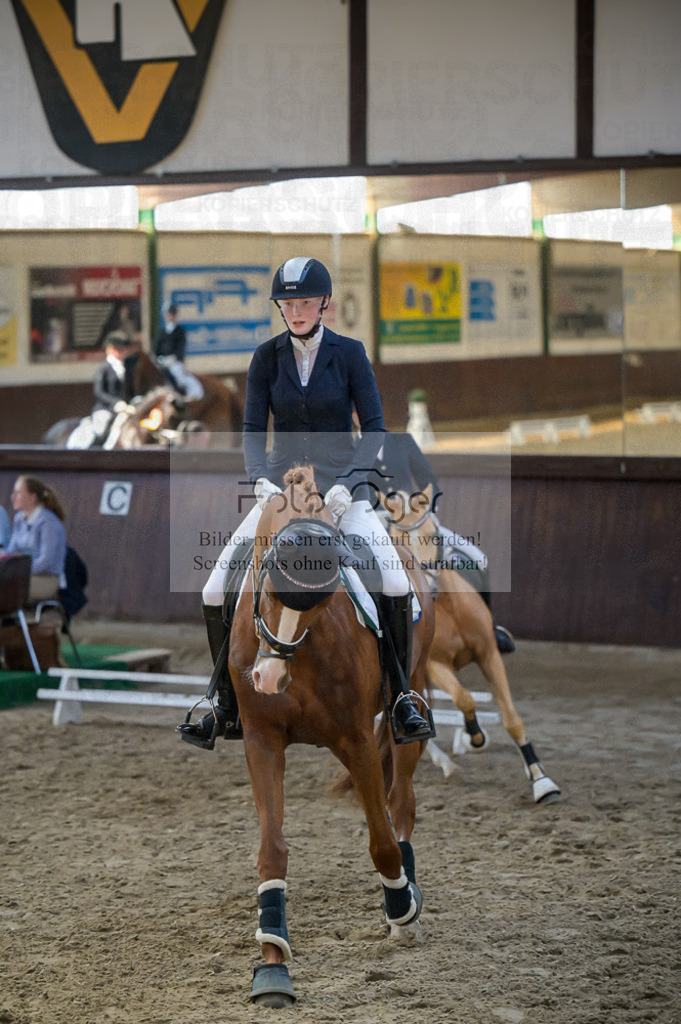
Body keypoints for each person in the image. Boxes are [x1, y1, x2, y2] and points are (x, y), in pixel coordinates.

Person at [179, 256, 432, 749]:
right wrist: (259, 479)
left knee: (396, 580)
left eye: (304, 303)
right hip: (282, 492)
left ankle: (401, 695)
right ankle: (223, 702)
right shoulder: (265, 357)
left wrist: (349, 484)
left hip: (342, 491)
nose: (295, 312)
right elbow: (252, 430)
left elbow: (374, 428)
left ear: (324, 304)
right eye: (288, 304)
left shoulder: (350, 353)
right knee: (213, 588)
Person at [368, 428, 515, 654]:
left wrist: (426, 510)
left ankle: (491, 627)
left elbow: (427, 478)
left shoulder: (401, 441)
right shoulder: (348, 444)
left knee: (478, 558)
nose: (358, 414)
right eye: (354, 411)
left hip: (415, 519)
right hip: (374, 523)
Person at [66, 331, 141, 449]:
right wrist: (115, 403)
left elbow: (130, 391)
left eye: (124, 350)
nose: (123, 352)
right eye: (119, 350)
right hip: (106, 408)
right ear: (111, 350)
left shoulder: (127, 370)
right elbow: (99, 391)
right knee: (100, 430)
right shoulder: (104, 369)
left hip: (125, 410)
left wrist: (133, 404)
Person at [6, 476, 67, 602]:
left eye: (18, 492)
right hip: (22, 575)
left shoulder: (48, 522)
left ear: (32, 497)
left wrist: (19, 572)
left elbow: (46, 560)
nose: (13, 496)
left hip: (46, 579)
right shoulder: (19, 518)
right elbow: (11, 551)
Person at [153, 303, 203, 400]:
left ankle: (184, 395)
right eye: (167, 314)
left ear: (174, 315)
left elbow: (180, 348)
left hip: (174, 362)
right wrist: (158, 358)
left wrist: (172, 358)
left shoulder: (180, 331)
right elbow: (156, 347)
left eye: (170, 314)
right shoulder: (161, 331)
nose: (168, 317)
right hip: (162, 361)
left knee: (179, 377)